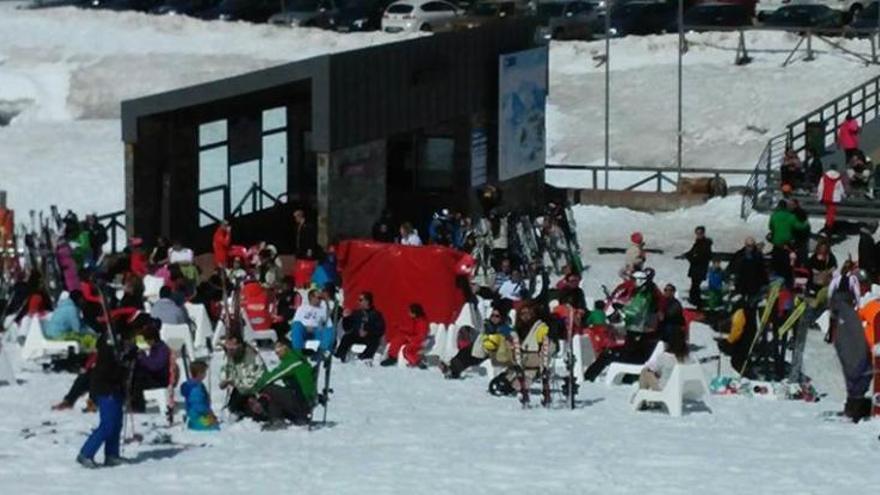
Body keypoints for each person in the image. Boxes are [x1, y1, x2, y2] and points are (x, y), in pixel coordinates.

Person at [76, 313, 141, 469]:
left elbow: (125, 363)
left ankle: (112, 454)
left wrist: (129, 356)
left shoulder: (123, 345)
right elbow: (109, 367)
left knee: (116, 423)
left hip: (117, 387)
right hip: (105, 387)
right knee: (108, 424)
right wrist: (123, 359)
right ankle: (86, 453)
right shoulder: (108, 345)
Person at [250, 338, 316, 429]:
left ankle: (278, 419)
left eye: (278, 348)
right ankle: (276, 418)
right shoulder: (293, 358)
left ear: (286, 347)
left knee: (268, 388)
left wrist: (255, 387)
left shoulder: (293, 361)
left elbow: (271, 377)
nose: (276, 351)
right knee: (273, 392)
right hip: (302, 401)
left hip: (303, 403)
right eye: (275, 348)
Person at [443, 308, 513, 379]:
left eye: (497, 316)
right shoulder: (487, 324)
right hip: (482, 346)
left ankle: (453, 369)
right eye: (492, 315)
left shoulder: (504, 328)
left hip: (492, 351)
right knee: (466, 351)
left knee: (470, 354)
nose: (494, 318)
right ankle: (451, 367)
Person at [219, 333, 268, 419]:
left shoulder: (251, 356)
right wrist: (225, 380)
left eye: (232, 348)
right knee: (232, 408)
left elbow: (250, 382)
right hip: (240, 387)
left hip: (257, 388)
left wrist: (234, 381)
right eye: (228, 348)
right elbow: (226, 369)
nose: (230, 351)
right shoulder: (232, 355)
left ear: (239, 345)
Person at [130, 322, 171, 413]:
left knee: (139, 379)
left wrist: (142, 357)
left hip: (160, 379)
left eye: (146, 341)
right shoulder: (152, 347)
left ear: (152, 340)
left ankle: (138, 406)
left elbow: (155, 366)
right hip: (152, 375)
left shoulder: (162, 349)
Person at [638, 326, 692, 392]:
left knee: (645, 372)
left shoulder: (665, 357)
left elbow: (652, 369)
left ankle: (641, 396)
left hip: (666, 389)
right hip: (682, 388)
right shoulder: (689, 357)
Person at [335, 292, 385, 362]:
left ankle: (364, 357)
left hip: (369, 336)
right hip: (357, 335)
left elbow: (380, 329)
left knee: (375, 341)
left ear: (367, 301)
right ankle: (339, 356)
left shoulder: (376, 314)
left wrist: (368, 332)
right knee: (347, 337)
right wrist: (346, 318)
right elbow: (347, 328)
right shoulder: (356, 313)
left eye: (360, 300)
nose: (358, 302)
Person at [768, 200, 808, 287]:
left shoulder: (774, 216)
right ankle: (787, 286)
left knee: (776, 266)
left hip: (777, 246)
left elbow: (770, 227)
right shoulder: (791, 217)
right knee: (787, 267)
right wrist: (805, 223)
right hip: (787, 247)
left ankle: (775, 285)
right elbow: (799, 226)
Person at [382, 303, 430, 367]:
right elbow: (411, 329)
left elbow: (422, 336)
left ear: (415, 313)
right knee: (398, 339)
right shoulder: (415, 319)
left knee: (407, 350)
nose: (408, 313)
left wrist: (410, 339)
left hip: (418, 341)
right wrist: (400, 327)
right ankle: (392, 357)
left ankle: (417, 362)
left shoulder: (422, 322)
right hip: (412, 337)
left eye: (410, 312)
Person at [290, 289, 335, 357]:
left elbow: (329, 326)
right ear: (311, 297)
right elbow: (296, 322)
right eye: (319, 298)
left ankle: (322, 351)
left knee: (328, 329)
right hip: (304, 330)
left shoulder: (323, 310)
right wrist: (306, 327)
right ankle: (298, 352)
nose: (320, 300)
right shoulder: (302, 308)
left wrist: (318, 327)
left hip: (317, 331)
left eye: (321, 298)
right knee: (296, 326)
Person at [181, 361, 219, 431]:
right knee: (214, 427)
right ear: (200, 373)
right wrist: (207, 411)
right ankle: (194, 425)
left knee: (215, 421)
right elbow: (198, 405)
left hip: (196, 414)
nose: (205, 374)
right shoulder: (196, 389)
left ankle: (194, 423)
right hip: (197, 416)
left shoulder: (198, 385)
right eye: (204, 372)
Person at [680, 226, 712, 308]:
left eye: (700, 233)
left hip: (700, 268)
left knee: (695, 286)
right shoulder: (698, 242)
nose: (698, 235)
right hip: (696, 268)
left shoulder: (705, 244)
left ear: (703, 233)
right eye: (697, 233)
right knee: (694, 284)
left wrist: (690, 258)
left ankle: (696, 302)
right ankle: (694, 300)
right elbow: (692, 252)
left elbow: (701, 257)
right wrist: (686, 255)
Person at [728, 237, 768, 301]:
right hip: (741, 284)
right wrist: (732, 278)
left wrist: (764, 282)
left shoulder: (757, 255)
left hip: (754, 284)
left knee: (752, 303)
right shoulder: (739, 254)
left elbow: (762, 270)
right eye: (748, 246)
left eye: (752, 246)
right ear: (745, 245)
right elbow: (732, 267)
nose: (750, 248)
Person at [817, 163, 846, 233]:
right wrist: (843, 195)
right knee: (832, 213)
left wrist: (819, 196)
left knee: (828, 212)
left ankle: (827, 225)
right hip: (834, 197)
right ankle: (830, 226)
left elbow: (820, 187)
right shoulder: (838, 177)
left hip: (825, 196)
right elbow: (840, 187)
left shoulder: (824, 176)